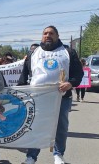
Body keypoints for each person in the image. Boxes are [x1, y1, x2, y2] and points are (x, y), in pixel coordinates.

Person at [17, 26, 83, 164]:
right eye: (45, 33)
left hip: (62, 98)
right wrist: (18, 93)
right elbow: (24, 76)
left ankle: (58, 155)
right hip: (38, 98)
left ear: (57, 36)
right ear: (42, 36)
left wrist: (70, 83)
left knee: (60, 127)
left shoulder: (68, 51)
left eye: (51, 33)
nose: (48, 35)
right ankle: (31, 157)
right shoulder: (33, 53)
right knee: (35, 126)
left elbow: (78, 74)